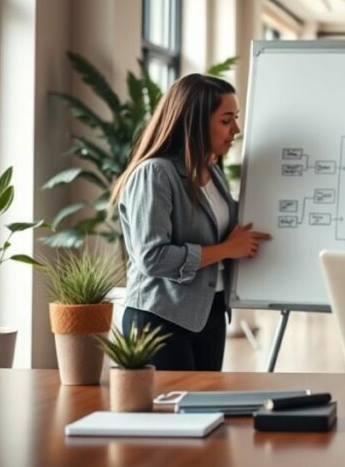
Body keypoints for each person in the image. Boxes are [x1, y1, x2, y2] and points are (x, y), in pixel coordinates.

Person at [110, 73, 272, 371]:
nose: (235, 129)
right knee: (170, 415)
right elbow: (152, 257)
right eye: (226, 120)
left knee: (203, 411)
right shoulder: (155, 174)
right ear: (195, 122)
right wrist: (226, 249)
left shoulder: (213, 173)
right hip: (160, 318)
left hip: (210, 312)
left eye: (235, 119)